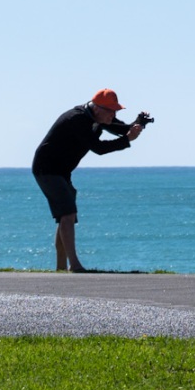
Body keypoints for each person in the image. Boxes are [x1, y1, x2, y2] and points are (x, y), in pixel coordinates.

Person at [31, 89, 149, 272]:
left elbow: (122, 129)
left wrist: (139, 123)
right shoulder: (77, 119)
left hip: (62, 172)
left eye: (115, 111)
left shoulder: (98, 118)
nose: (113, 115)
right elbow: (99, 148)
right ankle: (74, 265)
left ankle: (61, 268)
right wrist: (127, 140)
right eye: (111, 111)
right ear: (98, 108)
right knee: (68, 214)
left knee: (66, 217)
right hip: (47, 169)